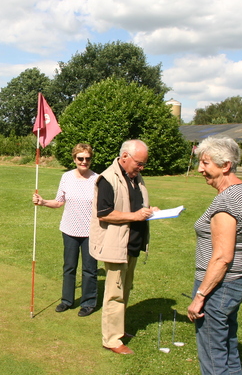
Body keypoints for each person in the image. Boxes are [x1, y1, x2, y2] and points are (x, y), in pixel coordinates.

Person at [187, 136, 242, 375]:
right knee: (227, 346)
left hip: (220, 286)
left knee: (213, 354)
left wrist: (200, 296)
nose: (200, 169)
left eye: (206, 163)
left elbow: (222, 257)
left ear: (225, 165)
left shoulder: (227, 201)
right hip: (234, 282)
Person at [89, 139, 159, 355]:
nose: (141, 168)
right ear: (125, 156)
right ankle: (111, 340)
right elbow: (105, 213)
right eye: (139, 163)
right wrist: (135, 216)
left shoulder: (136, 177)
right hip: (115, 245)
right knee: (114, 293)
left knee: (125, 289)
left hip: (132, 245)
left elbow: (136, 206)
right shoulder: (108, 179)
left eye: (143, 164)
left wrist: (149, 210)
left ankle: (118, 330)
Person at [33, 143, 99, 317]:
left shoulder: (97, 179)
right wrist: (43, 202)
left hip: (90, 232)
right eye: (80, 158)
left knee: (89, 269)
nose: (84, 162)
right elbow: (59, 202)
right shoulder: (67, 177)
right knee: (69, 267)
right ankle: (67, 301)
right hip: (69, 230)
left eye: (87, 158)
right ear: (74, 159)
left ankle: (88, 302)